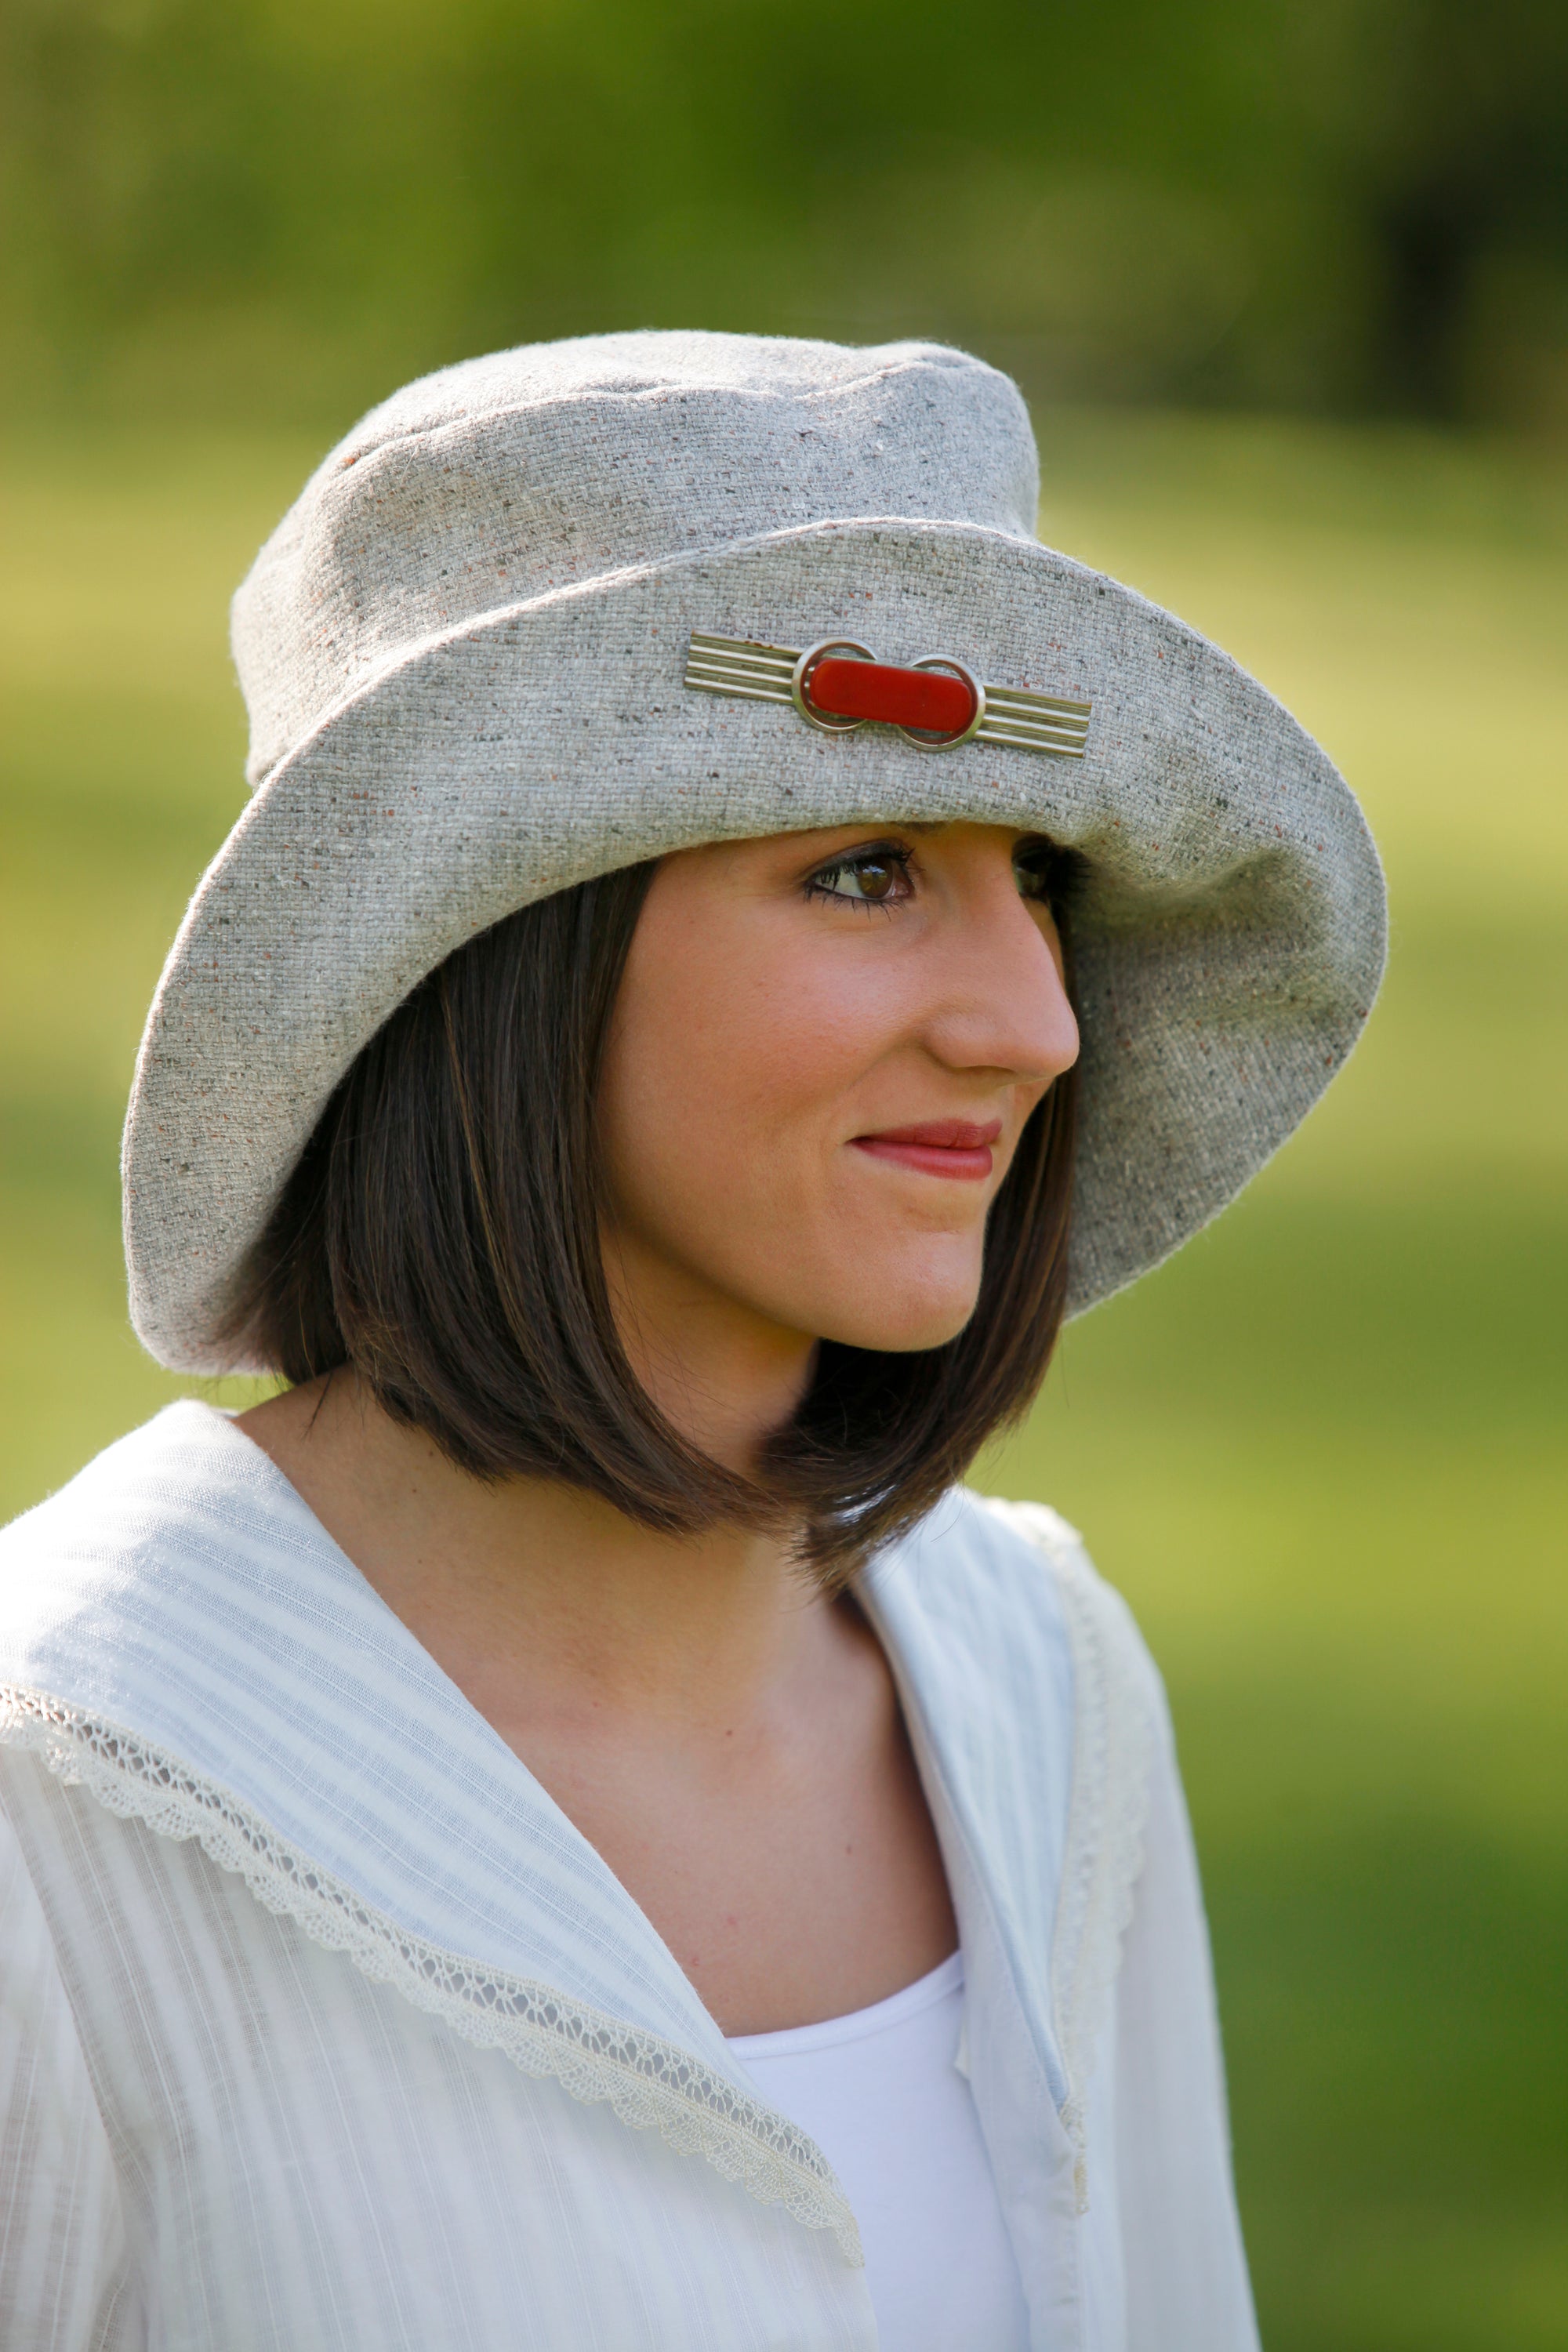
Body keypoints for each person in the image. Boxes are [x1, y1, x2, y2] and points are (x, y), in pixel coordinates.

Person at [0, 332, 1385, 2351]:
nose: (1034, 1023)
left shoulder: (1042, 1679)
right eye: (865, 871)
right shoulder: (62, 1799)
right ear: (492, 949)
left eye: (1036, 881)